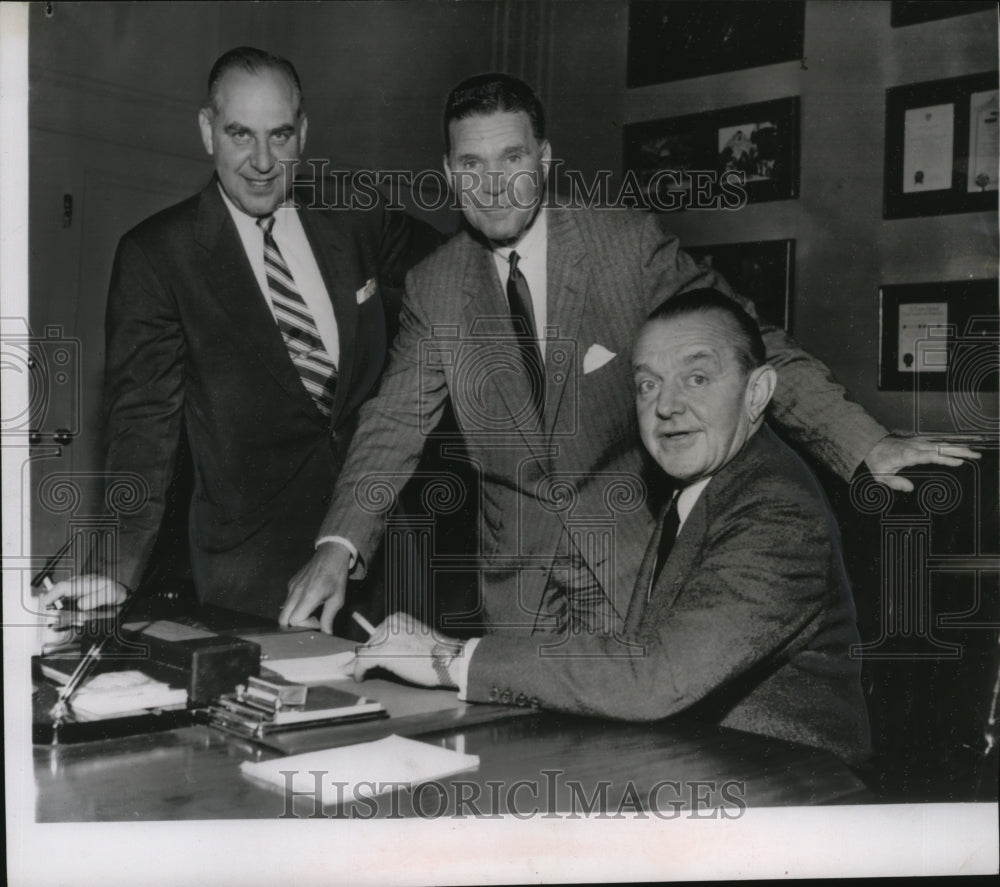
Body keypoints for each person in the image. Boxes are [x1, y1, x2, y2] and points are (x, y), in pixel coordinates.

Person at [283, 71, 976, 636]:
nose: (494, 184)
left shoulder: (624, 246)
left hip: (633, 570)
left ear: (545, 161)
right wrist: (336, 546)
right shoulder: (436, 287)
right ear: (449, 173)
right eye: (472, 164)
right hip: (515, 592)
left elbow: (751, 345)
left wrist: (864, 443)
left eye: (512, 158)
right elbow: (392, 424)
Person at [351, 290, 872, 764]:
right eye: (648, 384)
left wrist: (450, 659)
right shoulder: (711, 483)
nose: (666, 406)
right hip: (697, 770)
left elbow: (656, 676)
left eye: (697, 377)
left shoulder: (777, 509)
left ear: (757, 392)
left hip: (791, 802)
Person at [41, 47, 440, 619]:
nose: (261, 160)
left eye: (279, 136)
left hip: (380, 560)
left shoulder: (354, 213)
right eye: (239, 135)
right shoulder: (158, 256)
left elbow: (453, 273)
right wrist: (116, 569)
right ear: (207, 131)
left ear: (302, 133)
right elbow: (142, 423)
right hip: (253, 576)